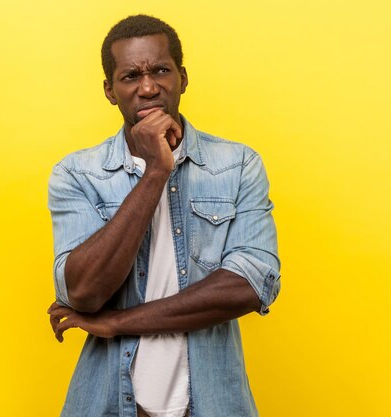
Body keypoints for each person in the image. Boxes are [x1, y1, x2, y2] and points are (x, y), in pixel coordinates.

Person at [47, 14, 281, 417]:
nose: (149, 87)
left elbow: (250, 284)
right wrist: (156, 171)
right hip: (110, 405)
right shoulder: (76, 174)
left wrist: (119, 322)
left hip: (212, 405)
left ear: (183, 78)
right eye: (131, 76)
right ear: (110, 90)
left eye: (160, 71)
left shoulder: (238, 165)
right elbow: (83, 291)